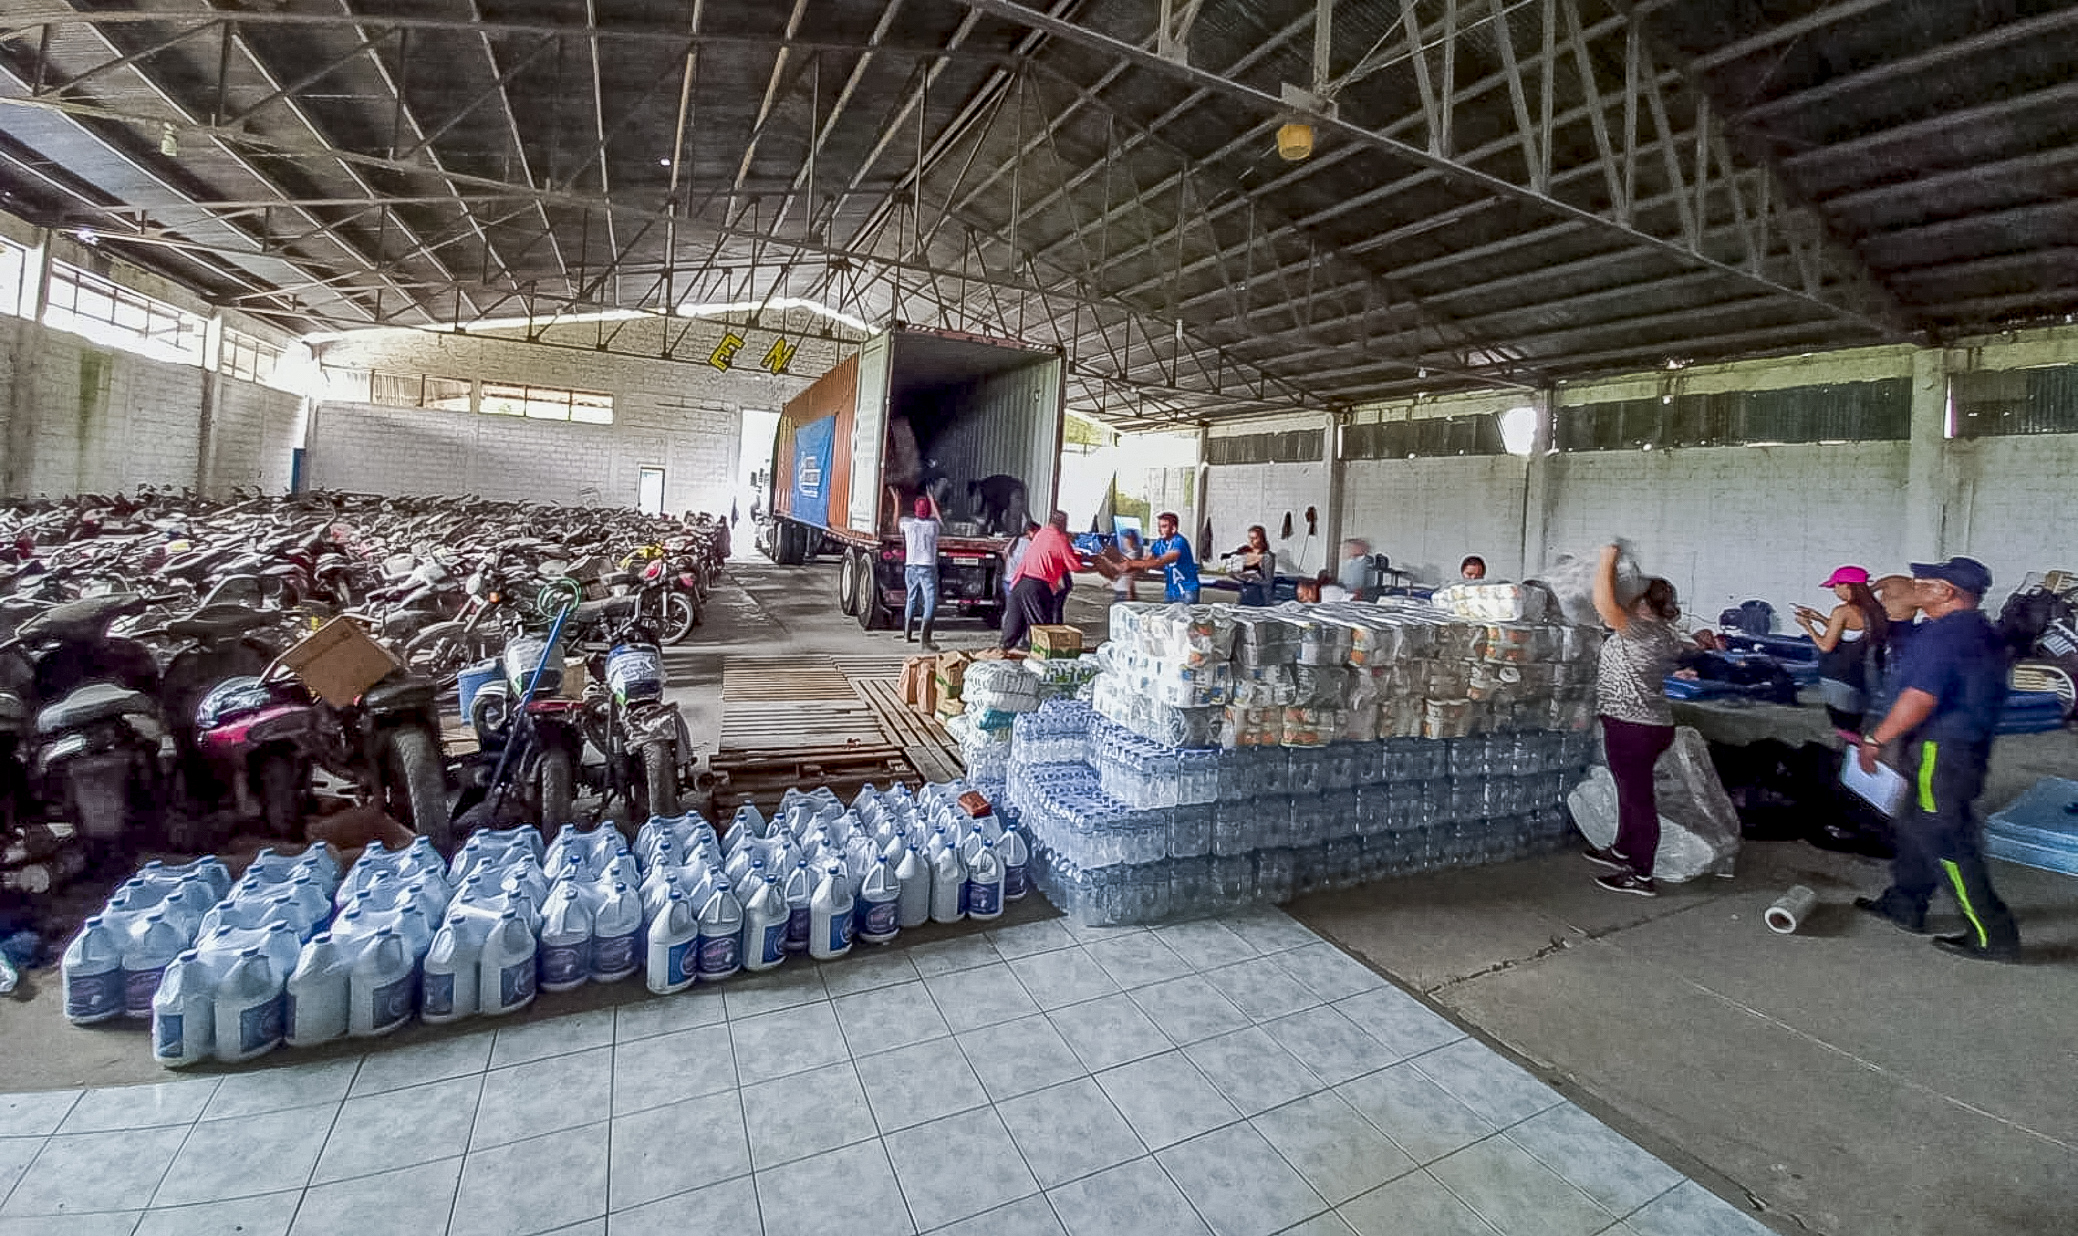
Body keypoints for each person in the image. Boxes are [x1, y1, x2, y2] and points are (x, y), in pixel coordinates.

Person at [1854, 557, 2020, 961]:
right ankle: (1905, 902)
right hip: (1962, 746)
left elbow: (1919, 698)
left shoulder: (1945, 636)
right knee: (1915, 823)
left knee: (1946, 835)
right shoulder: (1978, 630)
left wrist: (1876, 738)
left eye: (1922, 583)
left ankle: (1991, 932)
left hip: (1941, 751)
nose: (1913, 588)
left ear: (1946, 592)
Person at [1586, 544, 1685, 897]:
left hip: (1635, 727)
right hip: (1642, 724)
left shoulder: (1642, 630)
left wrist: (1606, 561)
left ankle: (1641, 874)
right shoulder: (1662, 631)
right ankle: (1623, 848)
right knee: (1628, 791)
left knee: (1637, 798)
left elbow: (1603, 603)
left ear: (1643, 602)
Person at [1794, 565, 1890, 738]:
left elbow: (1825, 646)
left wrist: (1807, 626)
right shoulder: (1875, 611)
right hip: (1862, 681)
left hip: (1838, 679)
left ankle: (1848, 761)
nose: (1834, 590)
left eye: (1835, 586)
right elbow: (1851, 632)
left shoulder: (1842, 611)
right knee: (1856, 727)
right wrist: (1819, 618)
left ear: (1847, 585)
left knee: (1843, 731)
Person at [1001, 511, 1083, 650]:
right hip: (1036, 586)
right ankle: (1042, 658)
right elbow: (1074, 565)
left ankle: (1002, 651)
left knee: (1013, 626)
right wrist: (1096, 564)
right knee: (1041, 628)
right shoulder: (1059, 538)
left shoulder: (1042, 533)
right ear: (1063, 523)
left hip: (1019, 583)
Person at [1127, 511, 1201, 604]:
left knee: (1186, 616)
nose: (1159, 530)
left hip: (1188, 589)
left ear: (1173, 528)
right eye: (1159, 526)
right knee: (1170, 616)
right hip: (1171, 590)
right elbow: (1148, 560)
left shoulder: (1179, 542)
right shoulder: (1159, 543)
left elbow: (1159, 562)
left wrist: (1131, 564)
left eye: (1164, 526)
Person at [900, 495, 941, 647]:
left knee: (911, 597)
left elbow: (898, 522)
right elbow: (938, 518)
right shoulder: (933, 526)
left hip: (910, 566)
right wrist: (932, 500)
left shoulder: (906, 524)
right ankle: (925, 637)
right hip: (927, 566)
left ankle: (907, 634)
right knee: (930, 600)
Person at [1229, 525, 1276, 606]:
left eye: (1254, 538)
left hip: (1261, 598)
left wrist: (1252, 580)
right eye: (1249, 538)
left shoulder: (1267, 557)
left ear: (1262, 539)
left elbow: (1268, 582)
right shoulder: (1245, 554)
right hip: (1245, 595)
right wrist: (1235, 575)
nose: (1251, 541)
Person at [1111, 528, 1144, 603]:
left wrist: (1129, 593)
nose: (1123, 541)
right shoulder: (1129, 554)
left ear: (1131, 539)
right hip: (1121, 590)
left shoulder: (1132, 555)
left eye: (1125, 539)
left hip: (1124, 591)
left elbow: (1130, 575)